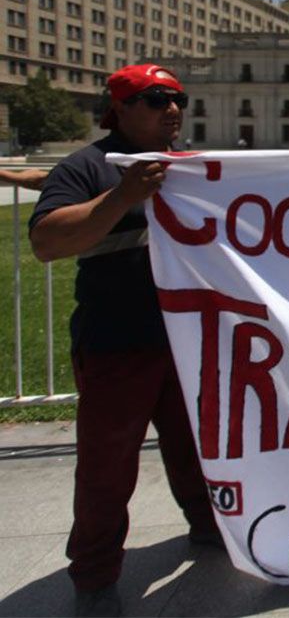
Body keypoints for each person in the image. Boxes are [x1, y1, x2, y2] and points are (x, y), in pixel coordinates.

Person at [29, 63, 221, 617]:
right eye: (157, 99)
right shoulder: (87, 167)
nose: (173, 109)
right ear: (121, 109)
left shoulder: (193, 168)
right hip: (117, 342)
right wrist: (122, 194)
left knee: (198, 449)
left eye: (178, 98)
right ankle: (94, 576)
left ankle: (210, 526)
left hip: (188, 340)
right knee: (107, 468)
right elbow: (47, 241)